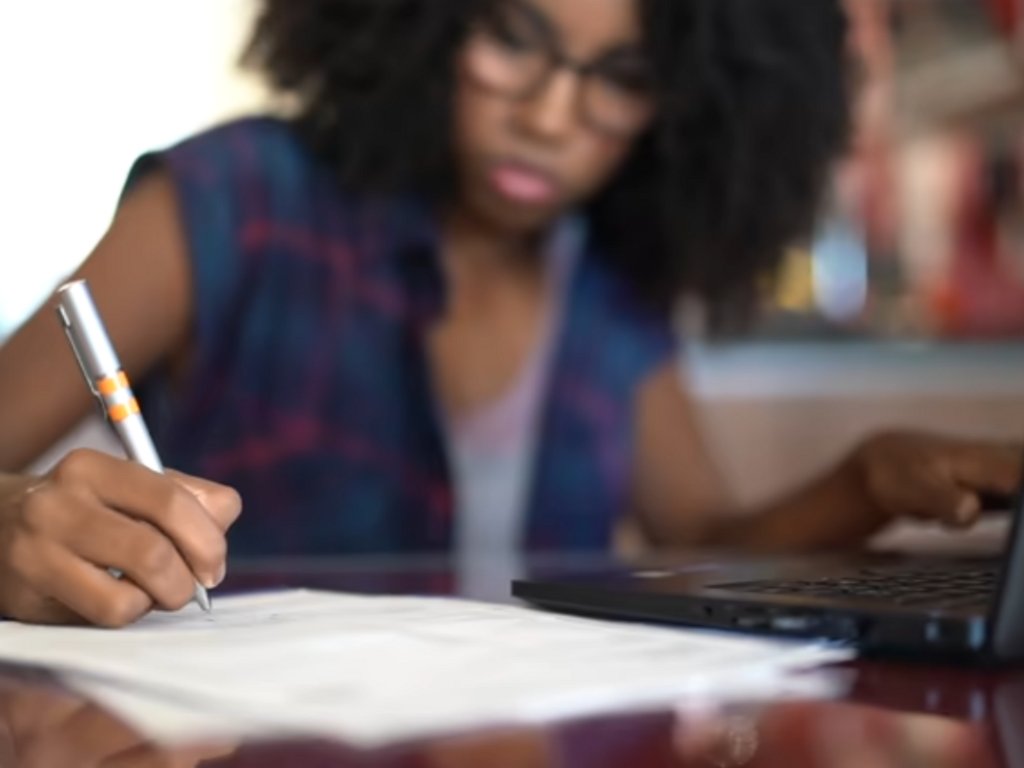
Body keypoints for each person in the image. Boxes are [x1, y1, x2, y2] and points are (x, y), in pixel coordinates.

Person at [0, 0, 1019, 628]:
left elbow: (708, 539)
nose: (548, 116)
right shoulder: (235, 198)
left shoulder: (612, 286)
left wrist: (867, 479)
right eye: (512, 38)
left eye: (622, 78)